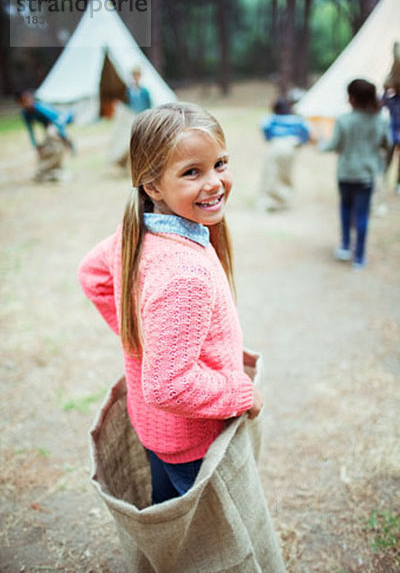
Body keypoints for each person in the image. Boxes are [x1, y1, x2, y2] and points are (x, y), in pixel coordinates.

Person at [78, 102, 264, 505]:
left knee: (171, 518)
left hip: (157, 430)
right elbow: (168, 385)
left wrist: (145, 342)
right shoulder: (184, 273)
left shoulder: (138, 231)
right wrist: (240, 392)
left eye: (220, 163)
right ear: (153, 186)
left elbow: (91, 274)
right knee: (208, 543)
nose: (214, 182)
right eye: (191, 172)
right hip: (193, 441)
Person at [319, 79, 391, 270]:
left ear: (351, 98)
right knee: (362, 215)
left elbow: (334, 145)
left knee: (345, 209)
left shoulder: (344, 120)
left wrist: (319, 143)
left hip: (346, 173)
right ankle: (359, 256)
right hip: (366, 175)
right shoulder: (380, 120)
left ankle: (344, 247)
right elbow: (387, 143)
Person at [258, 97, 310, 211]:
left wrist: (269, 138)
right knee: (286, 175)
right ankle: (284, 201)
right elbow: (306, 131)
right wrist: (301, 142)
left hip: (276, 146)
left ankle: (269, 201)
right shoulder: (297, 119)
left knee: (271, 174)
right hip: (291, 147)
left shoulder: (271, 119)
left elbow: (265, 129)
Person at [382, 84, 400, 194]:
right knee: (388, 157)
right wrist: (386, 88)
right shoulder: (392, 99)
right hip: (392, 130)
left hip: (394, 130)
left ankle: (398, 183)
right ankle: (383, 178)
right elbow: (382, 101)